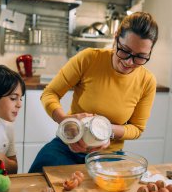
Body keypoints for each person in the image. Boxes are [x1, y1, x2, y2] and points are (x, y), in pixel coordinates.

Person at [29, 12, 159, 172]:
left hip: (108, 156)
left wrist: (106, 130)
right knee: (39, 176)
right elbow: (50, 93)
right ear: (116, 38)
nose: (129, 62)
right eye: (124, 50)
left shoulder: (147, 81)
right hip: (68, 145)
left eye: (140, 57)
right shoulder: (89, 59)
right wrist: (65, 121)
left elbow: (137, 128)